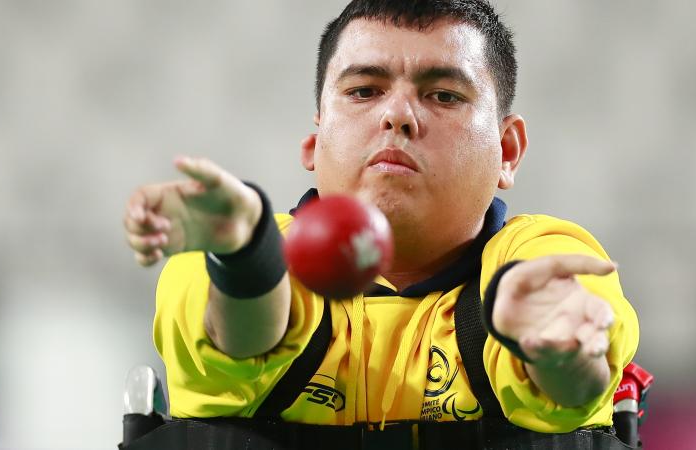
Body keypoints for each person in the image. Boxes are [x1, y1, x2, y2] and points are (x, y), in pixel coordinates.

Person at [122, 0, 639, 447]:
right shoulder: (236, 261)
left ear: (507, 150)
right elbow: (244, 330)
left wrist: (554, 349)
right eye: (365, 90)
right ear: (314, 142)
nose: (398, 116)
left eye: (444, 95)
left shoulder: (543, 257)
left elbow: (571, 389)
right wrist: (244, 252)